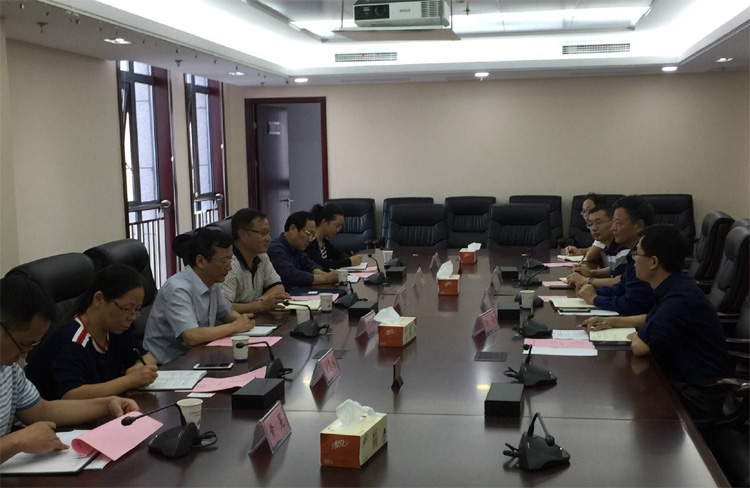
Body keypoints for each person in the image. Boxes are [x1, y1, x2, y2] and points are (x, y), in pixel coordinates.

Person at [585, 225, 732, 423]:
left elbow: (640, 347)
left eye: (637, 254)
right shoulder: (675, 284)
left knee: (620, 398)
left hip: (698, 395)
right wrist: (610, 321)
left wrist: (637, 335)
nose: (633, 260)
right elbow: (649, 318)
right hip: (680, 378)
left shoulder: (679, 299)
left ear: (653, 262)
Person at [1, 275, 139, 463]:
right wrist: (16, 441)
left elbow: (42, 410)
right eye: (23, 345)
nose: (24, 355)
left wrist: (107, 404)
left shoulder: (8, 369)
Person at [25, 265, 158, 400]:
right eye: (127, 309)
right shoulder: (75, 340)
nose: (132, 317)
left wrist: (138, 368)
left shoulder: (116, 329)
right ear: (99, 299)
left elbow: (148, 358)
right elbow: (72, 394)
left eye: (137, 309)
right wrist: (129, 381)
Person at [143, 227, 255, 365]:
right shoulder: (178, 289)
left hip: (198, 357)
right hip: (166, 365)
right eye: (224, 261)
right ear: (201, 261)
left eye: (230, 260)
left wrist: (244, 321)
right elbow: (192, 336)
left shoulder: (212, 282)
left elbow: (226, 314)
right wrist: (235, 326)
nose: (229, 267)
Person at [577, 195, 657, 315]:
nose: (613, 228)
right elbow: (621, 287)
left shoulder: (646, 256)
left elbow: (632, 305)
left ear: (639, 226)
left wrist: (594, 298)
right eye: (613, 222)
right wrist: (593, 291)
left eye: (618, 223)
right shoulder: (633, 253)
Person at [221, 208, 290, 314]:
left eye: (268, 232)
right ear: (242, 234)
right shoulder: (229, 264)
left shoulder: (261, 256)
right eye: (263, 233)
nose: (269, 238)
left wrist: (261, 302)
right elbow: (223, 308)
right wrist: (259, 306)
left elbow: (278, 287)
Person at [267, 211, 338, 291]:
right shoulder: (275, 248)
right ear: (293, 229)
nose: (310, 240)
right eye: (309, 233)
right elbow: (291, 275)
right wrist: (325, 278)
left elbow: (311, 264)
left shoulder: (297, 248)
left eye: (313, 236)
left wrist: (316, 271)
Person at [565, 205, 628, 288]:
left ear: (613, 222)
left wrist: (585, 280)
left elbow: (621, 282)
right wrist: (591, 273)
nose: (593, 228)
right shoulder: (611, 247)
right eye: (590, 224)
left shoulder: (624, 248)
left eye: (598, 223)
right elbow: (614, 269)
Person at [306, 203, 363, 271]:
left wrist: (350, 258)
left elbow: (338, 255)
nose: (338, 230)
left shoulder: (323, 241)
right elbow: (322, 264)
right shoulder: (310, 241)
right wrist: (349, 262)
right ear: (325, 222)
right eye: (337, 226)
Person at [565, 193, 605, 257]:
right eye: (584, 211)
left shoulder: (604, 228)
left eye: (589, 210)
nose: (586, 215)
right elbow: (596, 247)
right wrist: (578, 251)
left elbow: (590, 256)